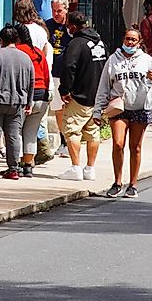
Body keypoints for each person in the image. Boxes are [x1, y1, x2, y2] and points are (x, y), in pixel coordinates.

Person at [97, 25, 152, 197]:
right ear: (123, 40)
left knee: (135, 147)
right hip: (119, 107)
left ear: (139, 42)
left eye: (133, 39)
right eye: (127, 39)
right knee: (118, 144)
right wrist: (98, 111)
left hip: (140, 107)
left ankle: (133, 184)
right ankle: (117, 182)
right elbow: (104, 86)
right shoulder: (113, 60)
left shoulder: (147, 60)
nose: (130, 42)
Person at [54, 19, 109, 181]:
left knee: (72, 130)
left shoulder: (76, 44)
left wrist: (65, 90)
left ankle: (76, 167)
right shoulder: (100, 43)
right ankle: (90, 168)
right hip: (97, 96)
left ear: (73, 27)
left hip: (79, 95)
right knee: (93, 133)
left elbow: (68, 67)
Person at [0, 24, 36, 181]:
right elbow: (31, 81)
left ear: (1, 40)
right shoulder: (25, 58)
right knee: (13, 136)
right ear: (17, 40)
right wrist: (29, 102)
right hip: (17, 102)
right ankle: (13, 169)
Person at [11, 1, 53, 170]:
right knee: (32, 130)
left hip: (24, 88)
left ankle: (19, 162)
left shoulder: (19, 48)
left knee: (18, 130)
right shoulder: (42, 31)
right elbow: (45, 55)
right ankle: (29, 164)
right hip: (42, 85)